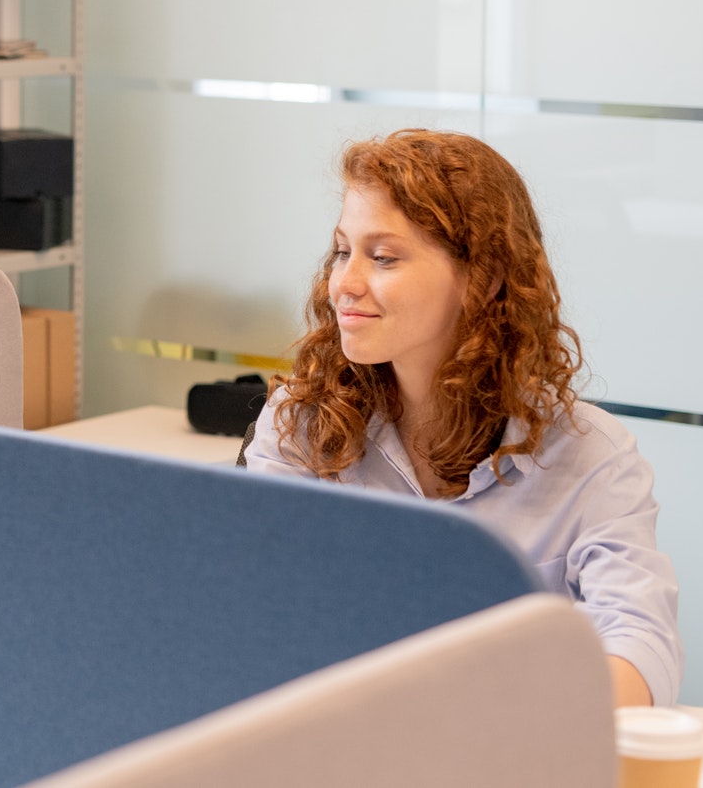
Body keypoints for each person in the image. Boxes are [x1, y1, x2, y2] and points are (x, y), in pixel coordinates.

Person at [243, 128, 681, 707]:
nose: (343, 284)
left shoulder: (591, 455)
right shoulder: (301, 423)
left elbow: (640, 651)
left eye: (383, 257)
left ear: (484, 277)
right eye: (342, 250)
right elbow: (259, 616)